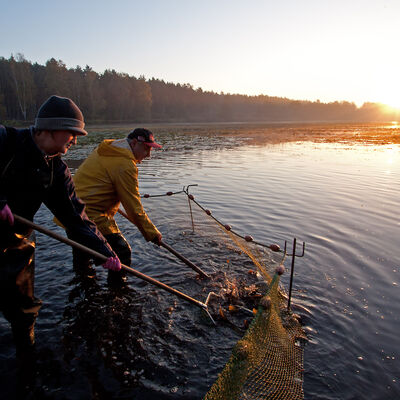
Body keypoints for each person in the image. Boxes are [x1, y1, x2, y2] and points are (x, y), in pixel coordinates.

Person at [0, 95, 121, 358]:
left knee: (23, 310)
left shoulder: (57, 169)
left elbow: (76, 218)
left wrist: (105, 252)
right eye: (72, 133)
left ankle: (27, 362)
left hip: (17, 241)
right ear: (51, 129)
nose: (75, 140)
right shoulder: (5, 140)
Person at [69, 128, 163, 286]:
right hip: (88, 214)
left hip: (71, 209)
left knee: (83, 254)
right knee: (122, 252)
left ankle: (83, 290)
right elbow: (134, 208)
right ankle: (117, 292)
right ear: (133, 143)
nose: (148, 154)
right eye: (146, 148)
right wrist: (152, 234)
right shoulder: (124, 164)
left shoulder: (109, 148)